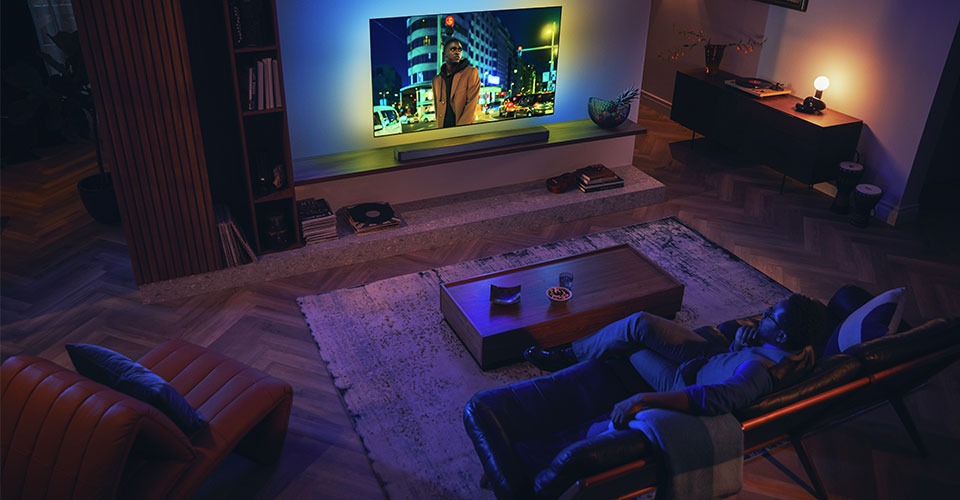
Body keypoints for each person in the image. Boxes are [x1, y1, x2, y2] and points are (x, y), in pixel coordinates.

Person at [523, 295, 826, 428]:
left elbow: (714, 398)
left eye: (772, 316)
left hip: (683, 380)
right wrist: (738, 345)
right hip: (708, 355)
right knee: (639, 323)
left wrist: (643, 399)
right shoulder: (802, 348)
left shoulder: (758, 373)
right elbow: (733, 362)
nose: (765, 314)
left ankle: (565, 363)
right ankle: (572, 353)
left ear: (783, 337)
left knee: (626, 346)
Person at [431, 38, 481, 128]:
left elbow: (471, 105)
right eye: (453, 49)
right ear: (444, 54)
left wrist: (460, 130)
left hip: (463, 130)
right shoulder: (436, 81)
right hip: (444, 132)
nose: (457, 52)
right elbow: (438, 110)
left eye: (459, 49)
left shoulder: (471, 73)